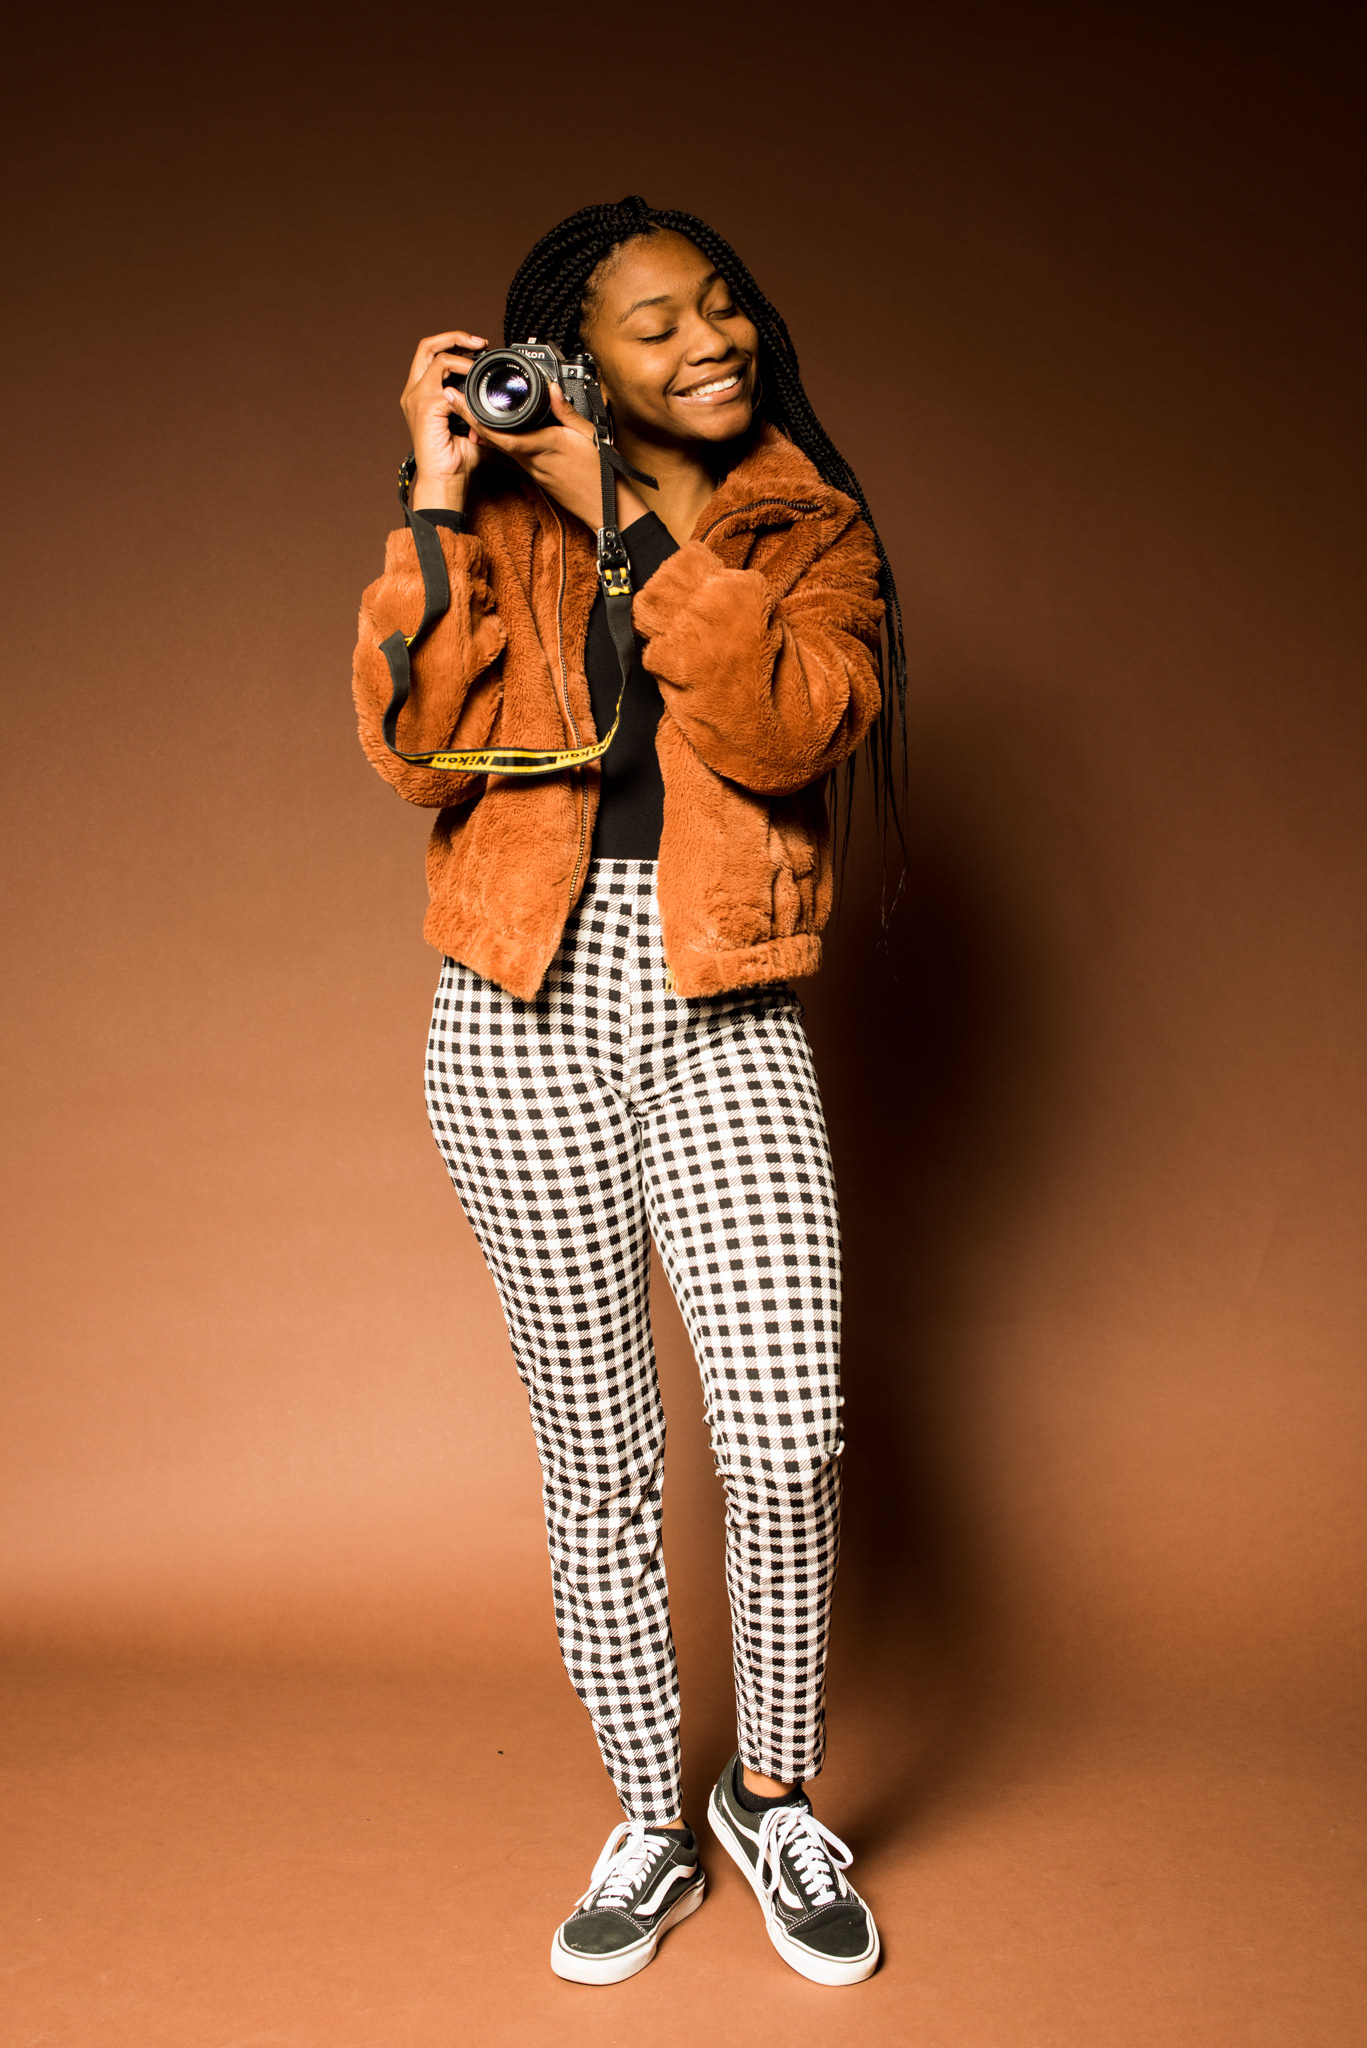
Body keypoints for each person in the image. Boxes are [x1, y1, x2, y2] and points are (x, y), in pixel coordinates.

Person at [351, 195, 905, 1989]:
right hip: (516, 1014)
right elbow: (410, 748)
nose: (710, 340)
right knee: (599, 1459)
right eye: (656, 323)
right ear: (573, 358)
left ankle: (774, 1795)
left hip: (722, 1003)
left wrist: (627, 521)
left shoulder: (808, 528)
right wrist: (441, 498)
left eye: (721, 304)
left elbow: (787, 727)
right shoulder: (498, 522)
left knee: (787, 1437)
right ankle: (653, 1815)